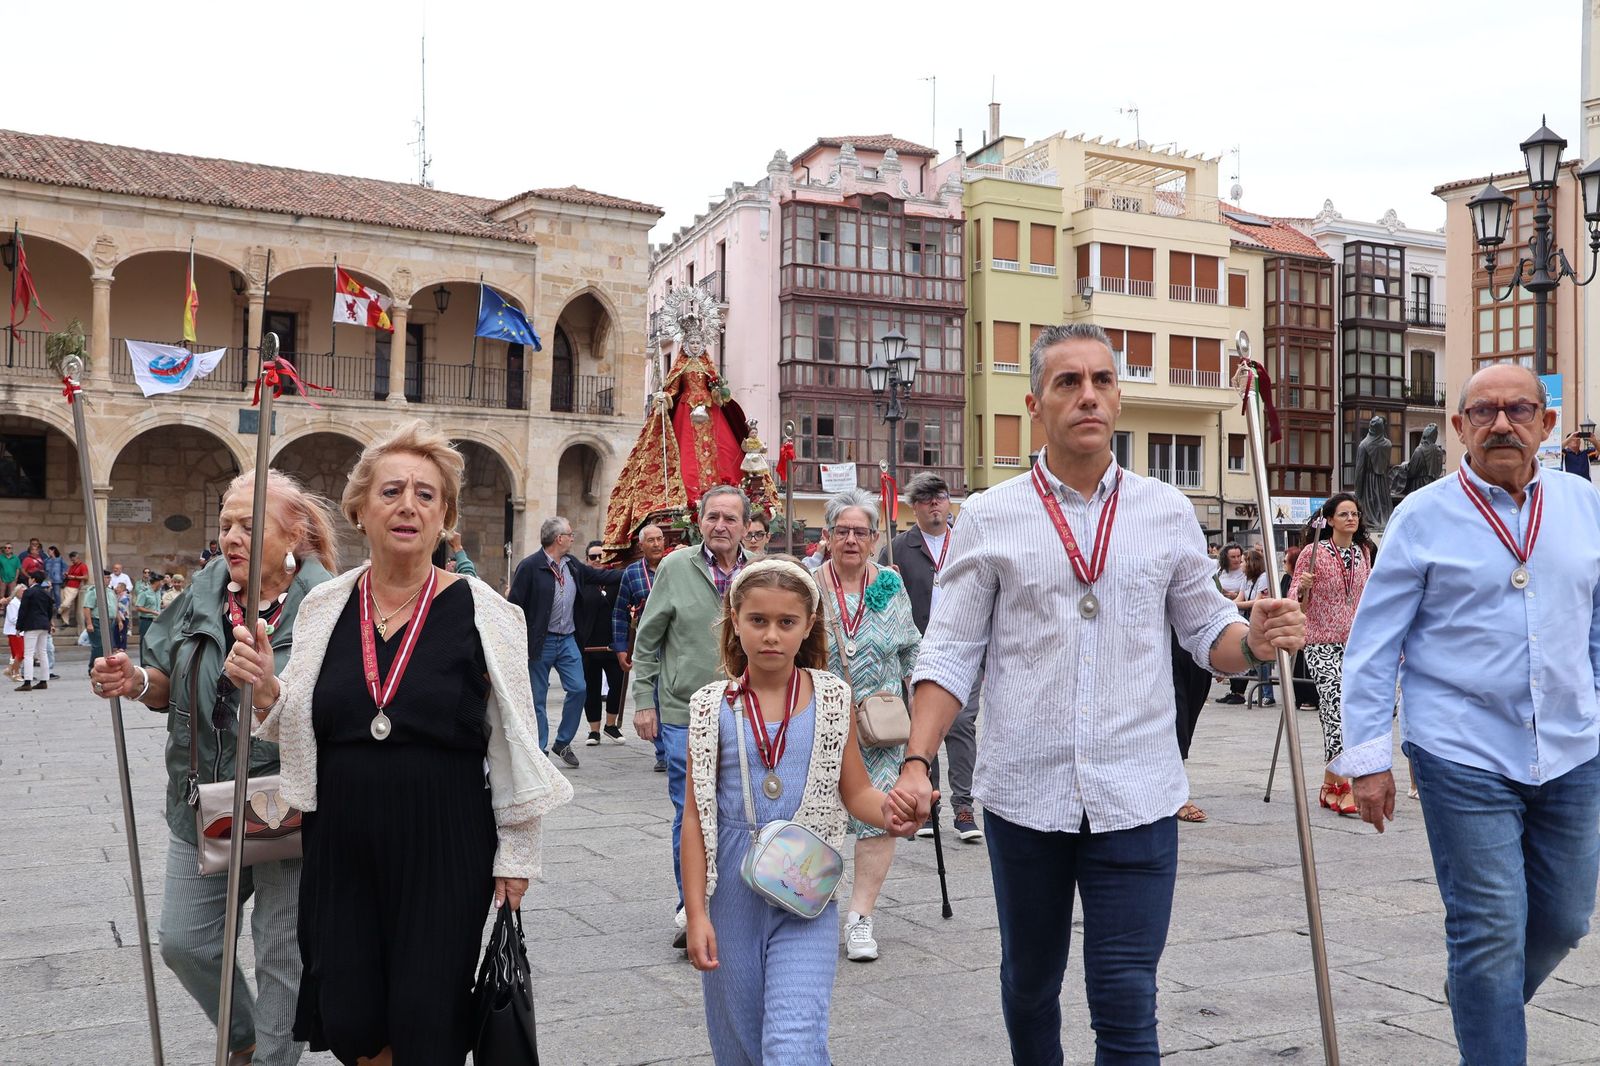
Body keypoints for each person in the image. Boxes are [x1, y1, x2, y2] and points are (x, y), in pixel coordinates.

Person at [892, 323, 1306, 1064]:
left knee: (1125, 997)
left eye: (1102, 381)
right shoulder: (988, 515)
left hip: (1137, 793)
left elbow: (1207, 632)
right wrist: (918, 761)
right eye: (1068, 382)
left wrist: (1254, 640)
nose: (1088, 395)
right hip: (1026, 794)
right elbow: (950, 652)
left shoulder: (1165, 510)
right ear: (1035, 405)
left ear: (1117, 398)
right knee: (1030, 985)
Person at [223, 421, 574, 1064]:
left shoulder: (488, 612)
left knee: (425, 1021)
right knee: (353, 1019)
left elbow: (514, 744)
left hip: (445, 841)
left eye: (425, 494)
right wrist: (269, 689)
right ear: (360, 508)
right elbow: (303, 720)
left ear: (445, 517)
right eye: (391, 491)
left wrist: (518, 853)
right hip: (340, 841)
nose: (408, 505)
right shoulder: (325, 605)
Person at [1339, 365, 1600, 1064]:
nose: (1502, 424)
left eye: (1520, 409)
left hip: (1573, 748)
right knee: (1488, 929)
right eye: (1483, 412)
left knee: (1566, 919)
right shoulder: (1422, 517)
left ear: (1547, 424)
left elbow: (1596, 620)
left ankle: (1478, 993)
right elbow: (1374, 644)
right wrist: (1368, 759)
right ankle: (1487, 1013)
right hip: (1462, 750)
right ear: (1459, 428)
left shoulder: (1585, 505)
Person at [88, 468, 341, 1066]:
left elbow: (343, 712)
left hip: (288, 805)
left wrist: (271, 692)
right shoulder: (203, 593)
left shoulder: (329, 606)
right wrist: (135, 680)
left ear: (294, 534)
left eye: (249, 525)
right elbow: (165, 679)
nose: (231, 536)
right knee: (185, 943)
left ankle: (272, 1059)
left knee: (281, 954)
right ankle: (243, 1034)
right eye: (226, 523)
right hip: (204, 800)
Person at [681, 557, 915, 1063]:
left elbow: (857, 792)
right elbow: (696, 820)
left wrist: (892, 811)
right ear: (735, 620)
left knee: (793, 1043)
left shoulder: (833, 698)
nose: (771, 635)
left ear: (808, 624)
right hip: (732, 893)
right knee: (740, 1041)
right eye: (758, 620)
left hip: (806, 883)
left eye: (786, 622)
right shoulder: (709, 707)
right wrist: (696, 913)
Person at [632, 485, 752, 947]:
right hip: (685, 710)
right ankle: (692, 910)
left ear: (745, 526)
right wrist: (644, 701)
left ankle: (735, 903)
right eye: (712, 517)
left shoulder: (757, 572)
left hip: (746, 709)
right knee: (692, 812)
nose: (720, 526)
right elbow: (648, 639)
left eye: (730, 518)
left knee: (739, 810)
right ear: (699, 522)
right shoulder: (675, 567)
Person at [819, 487, 920, 962]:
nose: (851, 540)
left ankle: (861, 917)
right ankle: (813, 907)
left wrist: (923, 705)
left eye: (861, 532)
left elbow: (911, 648)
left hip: (881, 725)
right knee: (818, 816)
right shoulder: (807, 584)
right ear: (827, 535)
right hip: (820, 718)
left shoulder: (891, 585)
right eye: (842, 531)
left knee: (879, 819)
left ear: (875, 538)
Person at [888, 472, 983, 843]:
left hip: (965, 647)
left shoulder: (966, 542)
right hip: (918, 651)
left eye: (940, 497)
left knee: (961, 725)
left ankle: (964, 807)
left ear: (949, 502)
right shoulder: (899, 547)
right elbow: (879, 593)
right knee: (922, 727)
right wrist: (886, 578)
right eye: (926, 499)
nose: (934, 505)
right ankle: (928, 805)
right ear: (914, 507)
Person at [507, 516, 622, 768]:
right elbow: (513, 606)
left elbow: (601, 575)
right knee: (538, 697)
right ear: (559, 539)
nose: (572, 538)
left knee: (579, 689)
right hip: (540, 641)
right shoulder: (530, 566)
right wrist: (518, 641)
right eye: (570, 534)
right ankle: (540, 750)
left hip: (568, 639)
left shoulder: (573, 566)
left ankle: (563, 742)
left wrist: (635, 571)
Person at [1289, 494, 1375, 819]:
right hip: (1321, 641)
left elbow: (1366, 596)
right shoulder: (1313, 552)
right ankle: (1343, 785)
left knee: (1344, 712)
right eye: (1344, 514)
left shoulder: (1363, 551)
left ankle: (1329, 784)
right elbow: (1294, 598)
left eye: (1355, 513)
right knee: (1335, 708)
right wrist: (1302, 586)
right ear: (1329, 520)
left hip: (1354, 643)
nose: (1351, 518)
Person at [614, 523, 670, 771]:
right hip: (650, 645)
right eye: (651, 540)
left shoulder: (674, 567)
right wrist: (620, 647)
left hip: (675, 640)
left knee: (673, 693)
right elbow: (619, 612)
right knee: (654, 695)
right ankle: (663, 752)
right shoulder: (632, 573)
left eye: (660, 539)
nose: (657, 544)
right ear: (641, 545)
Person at [579, 539, 625, 746]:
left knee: (617, 683)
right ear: (586, 559)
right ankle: (594, 730)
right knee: (592, 687)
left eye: (601, 556)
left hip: (613, 642)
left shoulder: (616, 579)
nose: (597, 560)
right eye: (593, 557)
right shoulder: (582, 581)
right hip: (588, 643)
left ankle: (611, 725)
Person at [1239, 546, 1275, 706]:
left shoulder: (1263, 578)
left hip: (1261, 619)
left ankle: (1267, 693)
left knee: (1262, 657)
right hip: (1248, 617)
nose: (1240, 564)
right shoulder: (1246, 579)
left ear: (1250, 563)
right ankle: (1261, 692)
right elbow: (1240, 598)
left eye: (1243, 561)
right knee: (1253, 655)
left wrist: (1235, 604)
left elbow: (1258, 601)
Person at [1214, 543, 1250, 704]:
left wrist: (1232, 595)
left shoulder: (1244, 572)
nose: (1236, 560)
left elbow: (1245, 593)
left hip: (1239, 614)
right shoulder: (1220, 571)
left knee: (1240, 650)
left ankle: (1239, 691)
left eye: (1238, 556)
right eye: (1232, 557)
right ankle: (1233, 689)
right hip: (1223, 614)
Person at [14, 570, 54, 691]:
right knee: (43, 653)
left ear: (33, 579)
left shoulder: (29, 592)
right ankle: (44, 680)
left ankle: (27, 682)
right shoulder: (46, 593)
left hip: (31, 624)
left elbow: (23, 610)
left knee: (29, 653)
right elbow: (50, 610)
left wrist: (19, 626)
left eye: (30, 578)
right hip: (44, 624)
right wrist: (48, 622)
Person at [1354, 414, 1395, 528]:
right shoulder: (1388, 444)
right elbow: (1387, 465)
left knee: (1370, 510)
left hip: (1368, 484)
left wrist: (1358, 492)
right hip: (1383, 482)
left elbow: (1359, 470)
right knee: (1383, 508)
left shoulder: (1364, 445)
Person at [61, 550, 88, 626]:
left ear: (78, 558)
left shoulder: (83, 566)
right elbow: (69, 575)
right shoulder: (72, 566)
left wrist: (74, 577)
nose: (73, 561)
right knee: (67, 605)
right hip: (66, 586)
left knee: (66, 604)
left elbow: (86, 577)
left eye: (74, 560)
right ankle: (65, 621)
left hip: (74, 587)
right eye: (71, 560)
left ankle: (59, 611)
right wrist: (66, 575)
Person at [135, 574, 162, 644]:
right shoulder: (144, 592)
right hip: (146, 621)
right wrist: (152, 612)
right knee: (145, 641)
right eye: (161, 582)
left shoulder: (158, 592)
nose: (162, 584)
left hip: (156, 621)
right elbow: (138, 607)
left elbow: (157, 605)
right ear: (157, 582)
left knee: (154, 642)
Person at [4, 584, 22, 681]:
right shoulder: (13, 603)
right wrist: (25, 622)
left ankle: (11, 670)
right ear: (16, 592)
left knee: (18, 653)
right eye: (21, 591)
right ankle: (15, 673)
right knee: (19, 653)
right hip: (14, 631)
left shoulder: (21, 602)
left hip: (20, 631)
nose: (23, 593)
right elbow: (12, 619)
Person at [44, 545, 66, 618]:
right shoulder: (47, 560)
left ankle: (58, 610)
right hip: (48, 580)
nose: (48, 552)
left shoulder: (60, 559)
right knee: (48, 595)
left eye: (49, 551)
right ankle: (48, 611)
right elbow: (45, 569)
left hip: (57, 580)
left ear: (53, 550)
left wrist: (63, 576)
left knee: (57, 595)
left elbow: (64, 568)